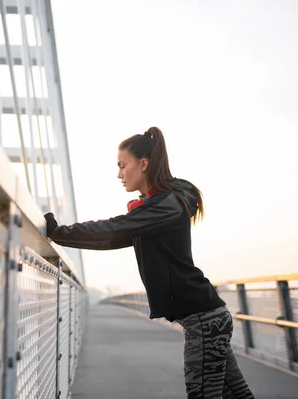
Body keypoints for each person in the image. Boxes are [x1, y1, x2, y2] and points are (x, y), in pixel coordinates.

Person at [44, 127, 254, 399]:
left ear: (143, 164)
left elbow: (115, 228)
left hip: (204, 320)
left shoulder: (163, 206)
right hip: (208, 316)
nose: (119, 175)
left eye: (122, 166)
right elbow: (113, 238)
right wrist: (62, 237)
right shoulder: (157, 207)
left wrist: (59, 232)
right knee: (236, 395)